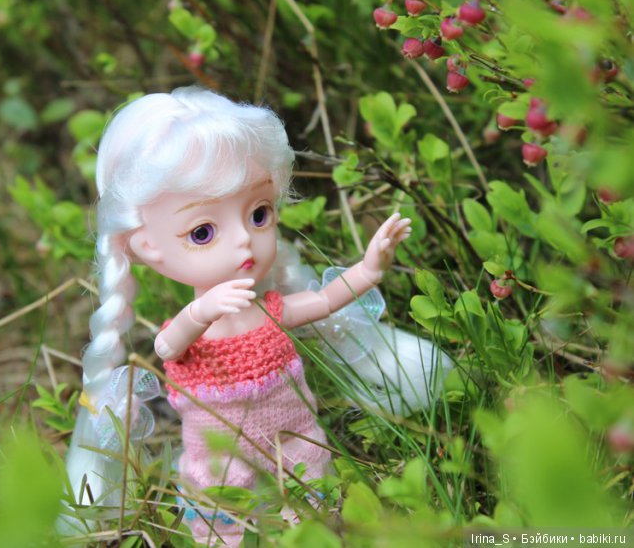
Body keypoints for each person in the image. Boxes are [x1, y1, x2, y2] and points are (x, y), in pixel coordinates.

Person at [61, 87, 448, 546]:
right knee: (223, 510)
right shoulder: (197, 322)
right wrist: (200, 312)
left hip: (294, 434)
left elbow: (324, 302)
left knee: (310, 495)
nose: (244, 240)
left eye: (259, 214)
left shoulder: (271, 311)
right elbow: (167, 347)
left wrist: (368, 269)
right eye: (203, 232)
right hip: (221, 450)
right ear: (146, 246)